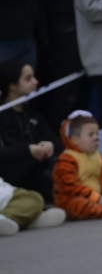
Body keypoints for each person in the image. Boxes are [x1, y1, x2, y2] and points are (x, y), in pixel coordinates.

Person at [0, 59, 63, 212]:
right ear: (12, 85)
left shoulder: (33, 112)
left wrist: (50, 145)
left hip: (38, 171)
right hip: (12, 176)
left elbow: (56, 141)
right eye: (28, 79)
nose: (35, 82)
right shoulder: (2, 115)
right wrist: (28, 150)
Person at [52, 110, 102, 220]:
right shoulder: (67, 159)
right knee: (80, 205)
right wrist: (98, 199)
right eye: (91, 135)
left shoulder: (99, 157)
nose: (96, 138)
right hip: (74, 199)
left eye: (97, 134)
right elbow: (72, 187)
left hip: (99, 197)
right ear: (74, 140)